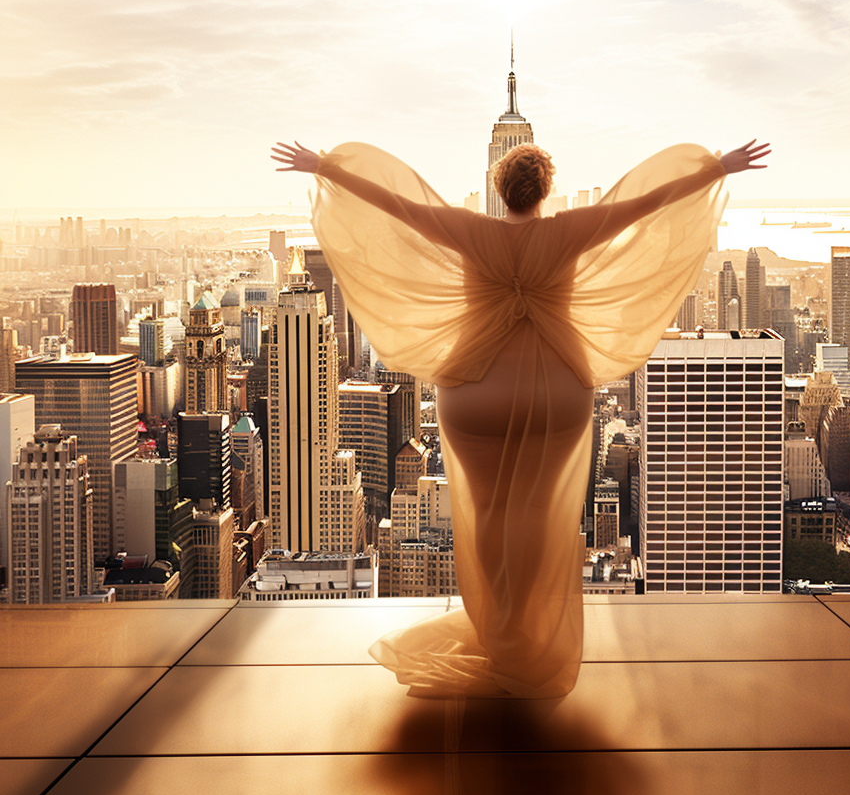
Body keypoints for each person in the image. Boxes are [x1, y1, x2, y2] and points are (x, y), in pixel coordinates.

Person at [272, 135, 769, 698]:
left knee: (486, 515)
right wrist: (716, 169)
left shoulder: (471, 229)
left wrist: (324, 168)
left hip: (473, 391)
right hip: (556, 393)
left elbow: (398, 206)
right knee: (538, 515)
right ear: (546, 191)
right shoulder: (567, 230)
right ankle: (529, 635)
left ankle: (499, 629)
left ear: (497, 188)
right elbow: (646, 204)